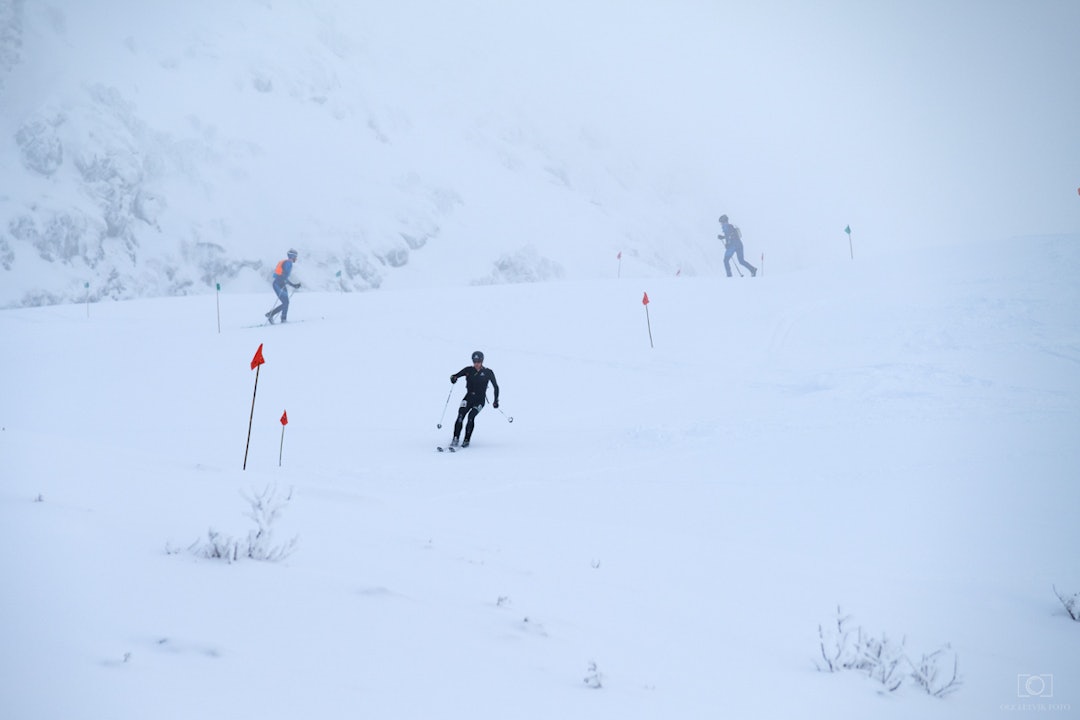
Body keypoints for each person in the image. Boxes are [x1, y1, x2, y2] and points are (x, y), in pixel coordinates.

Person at [448, 351, 500, 448]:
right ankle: (455, 438)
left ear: (482, 361)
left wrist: (496, 400)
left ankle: (466, 440)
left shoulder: (488, 372)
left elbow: (496, 387)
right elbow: (454, 376)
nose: (476, 364)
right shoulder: (468, 370)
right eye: (475, 361)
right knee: (460, 415)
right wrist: (453, 378)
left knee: (471, 416)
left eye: (478, 361)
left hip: (480, 400)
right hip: (468, 397)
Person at [266, 248, 301, 323]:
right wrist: (293, 285)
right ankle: (272, 315)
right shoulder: (288, 263)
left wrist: (293, 285)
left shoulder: (287, 262)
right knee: (286, 303)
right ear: (292, 256)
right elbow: (283, 277)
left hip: (279, 284)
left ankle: (283, 319)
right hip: (278, 284)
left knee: (286, 302)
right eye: (295, 257)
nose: (296, 258)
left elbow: (283, 277)